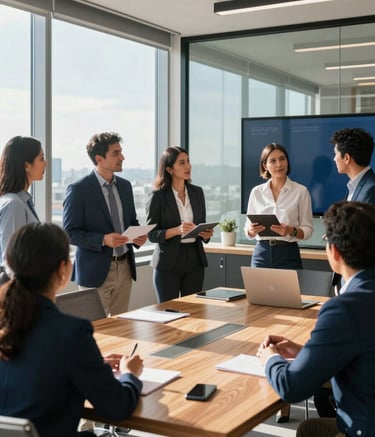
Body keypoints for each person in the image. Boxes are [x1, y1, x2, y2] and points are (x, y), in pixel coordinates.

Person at [0, 222, 143, 437]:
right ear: (63, 269)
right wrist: (130, 375)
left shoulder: (8, 324)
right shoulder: (71, 333)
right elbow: (117, 406)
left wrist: (89, 364)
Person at [257, 200, 375, 437]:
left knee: (310, 430)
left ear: (334, 251)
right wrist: (304, 352)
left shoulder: (344, 308)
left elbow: (291, 387)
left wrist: (269, 359)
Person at [313, 127, 375, 418]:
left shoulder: (371, 190)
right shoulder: (356, 187)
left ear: (346, 157)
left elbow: (362, 242)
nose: (333, 158)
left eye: (335, 153)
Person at [63, 132, 147, 316]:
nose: (122, 157)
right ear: (99, 159)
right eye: (116, 153)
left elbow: (131, 221)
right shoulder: (79, 190)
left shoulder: (125, 186)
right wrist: (103, 239)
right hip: (95, 270)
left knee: (121, 328)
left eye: (121, 152)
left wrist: (137, 238)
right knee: (96, 330)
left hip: (125, 268)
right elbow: (69, 233)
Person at [145, 146, 213, 303]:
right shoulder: (158, 196)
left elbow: (201, 223)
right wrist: (177, 230)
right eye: (182, 163)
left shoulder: (197, 192)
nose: (188, 166)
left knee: (194, 311)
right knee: (168, 312)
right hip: (168, 263)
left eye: (188, 161)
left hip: (195, 260)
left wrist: (206, 234)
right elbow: (151, 235)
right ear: (169, 169)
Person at [244, 142, 313, 270]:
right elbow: (247, 228)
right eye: (273, 161)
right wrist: (251, 231)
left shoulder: (301, 191)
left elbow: (308, 230)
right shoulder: (256, 192)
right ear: (265, 166)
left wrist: (291, 231)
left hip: (288, 254)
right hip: (261, 254)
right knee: (258, 290)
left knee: (290, 291)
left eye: (282, 159)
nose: (279, 164)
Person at [0, 135, 46, 265]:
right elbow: (12, 261)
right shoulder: (14, 204)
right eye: (41, 158)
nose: (46, 164)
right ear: (26, 165)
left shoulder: (21, 201)